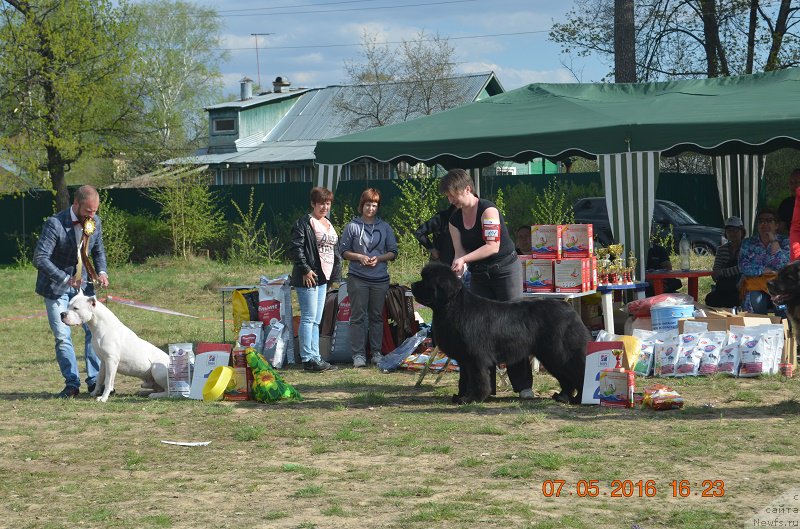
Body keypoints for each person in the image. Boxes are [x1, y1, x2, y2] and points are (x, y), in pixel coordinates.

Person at [441, 168, 534, 399]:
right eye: (447, 196)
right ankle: (485, 388)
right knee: (480, 330)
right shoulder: (454, 219)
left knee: (513, 325)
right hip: (480, 275)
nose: (450, 199)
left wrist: (464, 259)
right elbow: (459, 252)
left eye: (453, 194)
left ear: (467, 189)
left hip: (505, 271)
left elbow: (492, 246)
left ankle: (523, 387)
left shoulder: (488, 209)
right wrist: (458, 268)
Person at [33, 185, 109, 398]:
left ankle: (95, 382)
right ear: (76, 204)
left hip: (84, 289)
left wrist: (101, 271)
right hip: (56, 288)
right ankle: (72, 384)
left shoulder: (94, 222)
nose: (92, 216)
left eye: (95, 211)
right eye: (88, 211)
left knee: (91, 333)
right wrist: (66, 279)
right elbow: (39, 258)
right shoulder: (54, 224)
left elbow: (98, 250)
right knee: (62, 337)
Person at [340, 188, 398, 368]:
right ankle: (358, 355)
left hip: (380, 279)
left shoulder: (385, 227)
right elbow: (343, 251)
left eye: (374, 205)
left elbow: (393, 252)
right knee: (358, 316)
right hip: (358, 278)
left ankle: (376, 353)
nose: (371, 208)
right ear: (361, 206)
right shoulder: (352, 226)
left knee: (376, 317)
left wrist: (378, 258)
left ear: (378, 207)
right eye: (368, 205)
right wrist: (360, 257)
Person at [289, 187, 341, 372]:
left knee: (317, 319)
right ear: (313, 203)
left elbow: (334, 251)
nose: (324, 207)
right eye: (321, 203)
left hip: (323, 277)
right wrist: (305, 269)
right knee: (309, 318)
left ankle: (316, 357)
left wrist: (334, 276)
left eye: (327, 203)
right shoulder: (304, 223)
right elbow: (296, 248)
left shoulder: (328, 223)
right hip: (309, 276)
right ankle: (307, 359)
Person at [739, 208, 790, 314]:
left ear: (776, 225)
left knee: (782, 304)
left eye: (769, 221)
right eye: (761, 221)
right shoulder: (748, 243)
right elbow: (743, 266)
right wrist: (764, 270)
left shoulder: (785, 242)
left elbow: (785, 265)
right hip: (756, 285)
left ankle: (783, 327)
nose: (764, 224)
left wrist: (773, 241)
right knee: (756, 299)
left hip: (780, 285)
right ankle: (760, 327)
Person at [705, 216, 745, 308]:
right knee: (710, 299)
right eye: (729, 230)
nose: (732, 233)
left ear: (742, 232)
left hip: (741, 285)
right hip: (725, 287)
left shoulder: (747, 247)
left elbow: (744, 267)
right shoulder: (721, 249)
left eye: (735, 230)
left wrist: (723, 272)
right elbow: (716, 271)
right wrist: (720, 273)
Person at [777, 168, 800, 235]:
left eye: (796, 182)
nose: (793, 186)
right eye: (791, 182)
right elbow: (780, 230)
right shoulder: (786, 204)